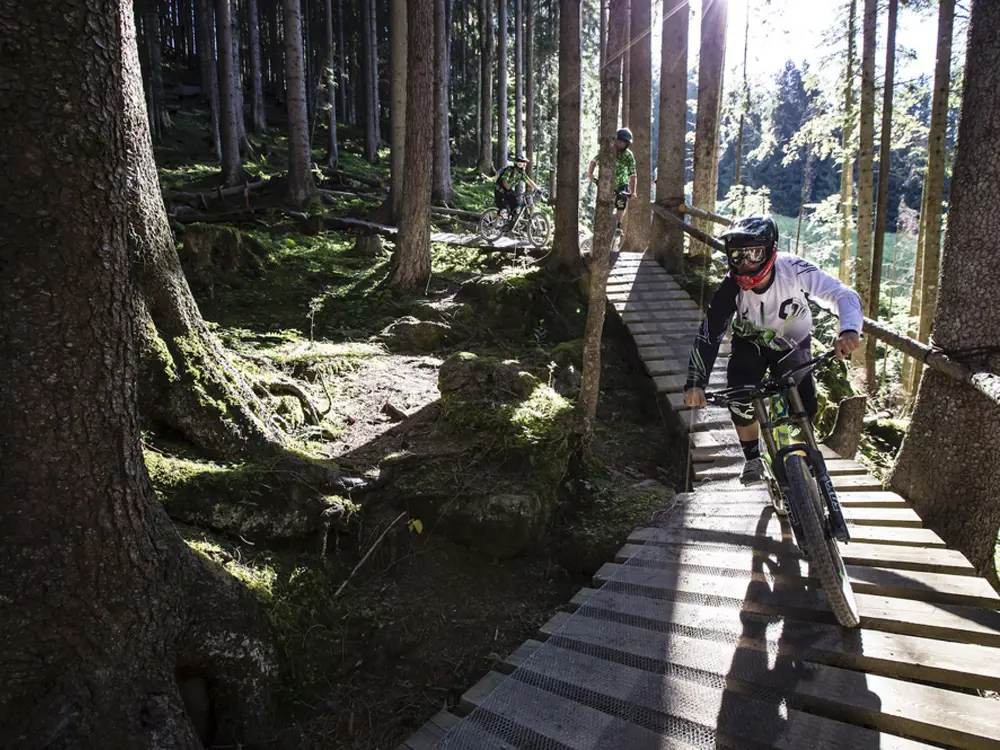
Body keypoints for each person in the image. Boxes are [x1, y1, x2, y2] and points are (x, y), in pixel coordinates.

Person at [682, 214, 863, 485]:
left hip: (793, 342)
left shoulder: (794, 268)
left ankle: (804, 460)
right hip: (750, 345)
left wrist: (849, 329)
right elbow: (710, 333)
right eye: (736, 256)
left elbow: (842, 294)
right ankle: (753, 458)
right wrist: (696, 382)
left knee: (804, 405)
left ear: (771, 251)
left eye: (754, 254)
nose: (744, 264)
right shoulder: (730, 288)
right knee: (740, 399)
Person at [587, 127, 638, 228]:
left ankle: (618, 225)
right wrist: (590, 174)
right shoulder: (608, 151)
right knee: (602, 204)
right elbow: (594, 161)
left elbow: (632, 175)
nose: (621, 144)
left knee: (621, 203)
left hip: (622, 183)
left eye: (624, 143)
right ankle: (599, 224)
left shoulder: (628, 155)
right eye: (619, 142)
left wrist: (633, 192)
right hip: (606, 182)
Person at [495, 153, 540, 230]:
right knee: (503, 206)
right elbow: (504, 181)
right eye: (520, 162)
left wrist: (537, 189)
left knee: (515, 207)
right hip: (500, 189)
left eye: (523, 162)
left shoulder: (521, 174)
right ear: (516, 163)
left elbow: (529, 181)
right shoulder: (510, 170)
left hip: (508, 190)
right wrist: (509, 190)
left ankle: (509, 223)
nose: (522, 164)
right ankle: (496, 224)